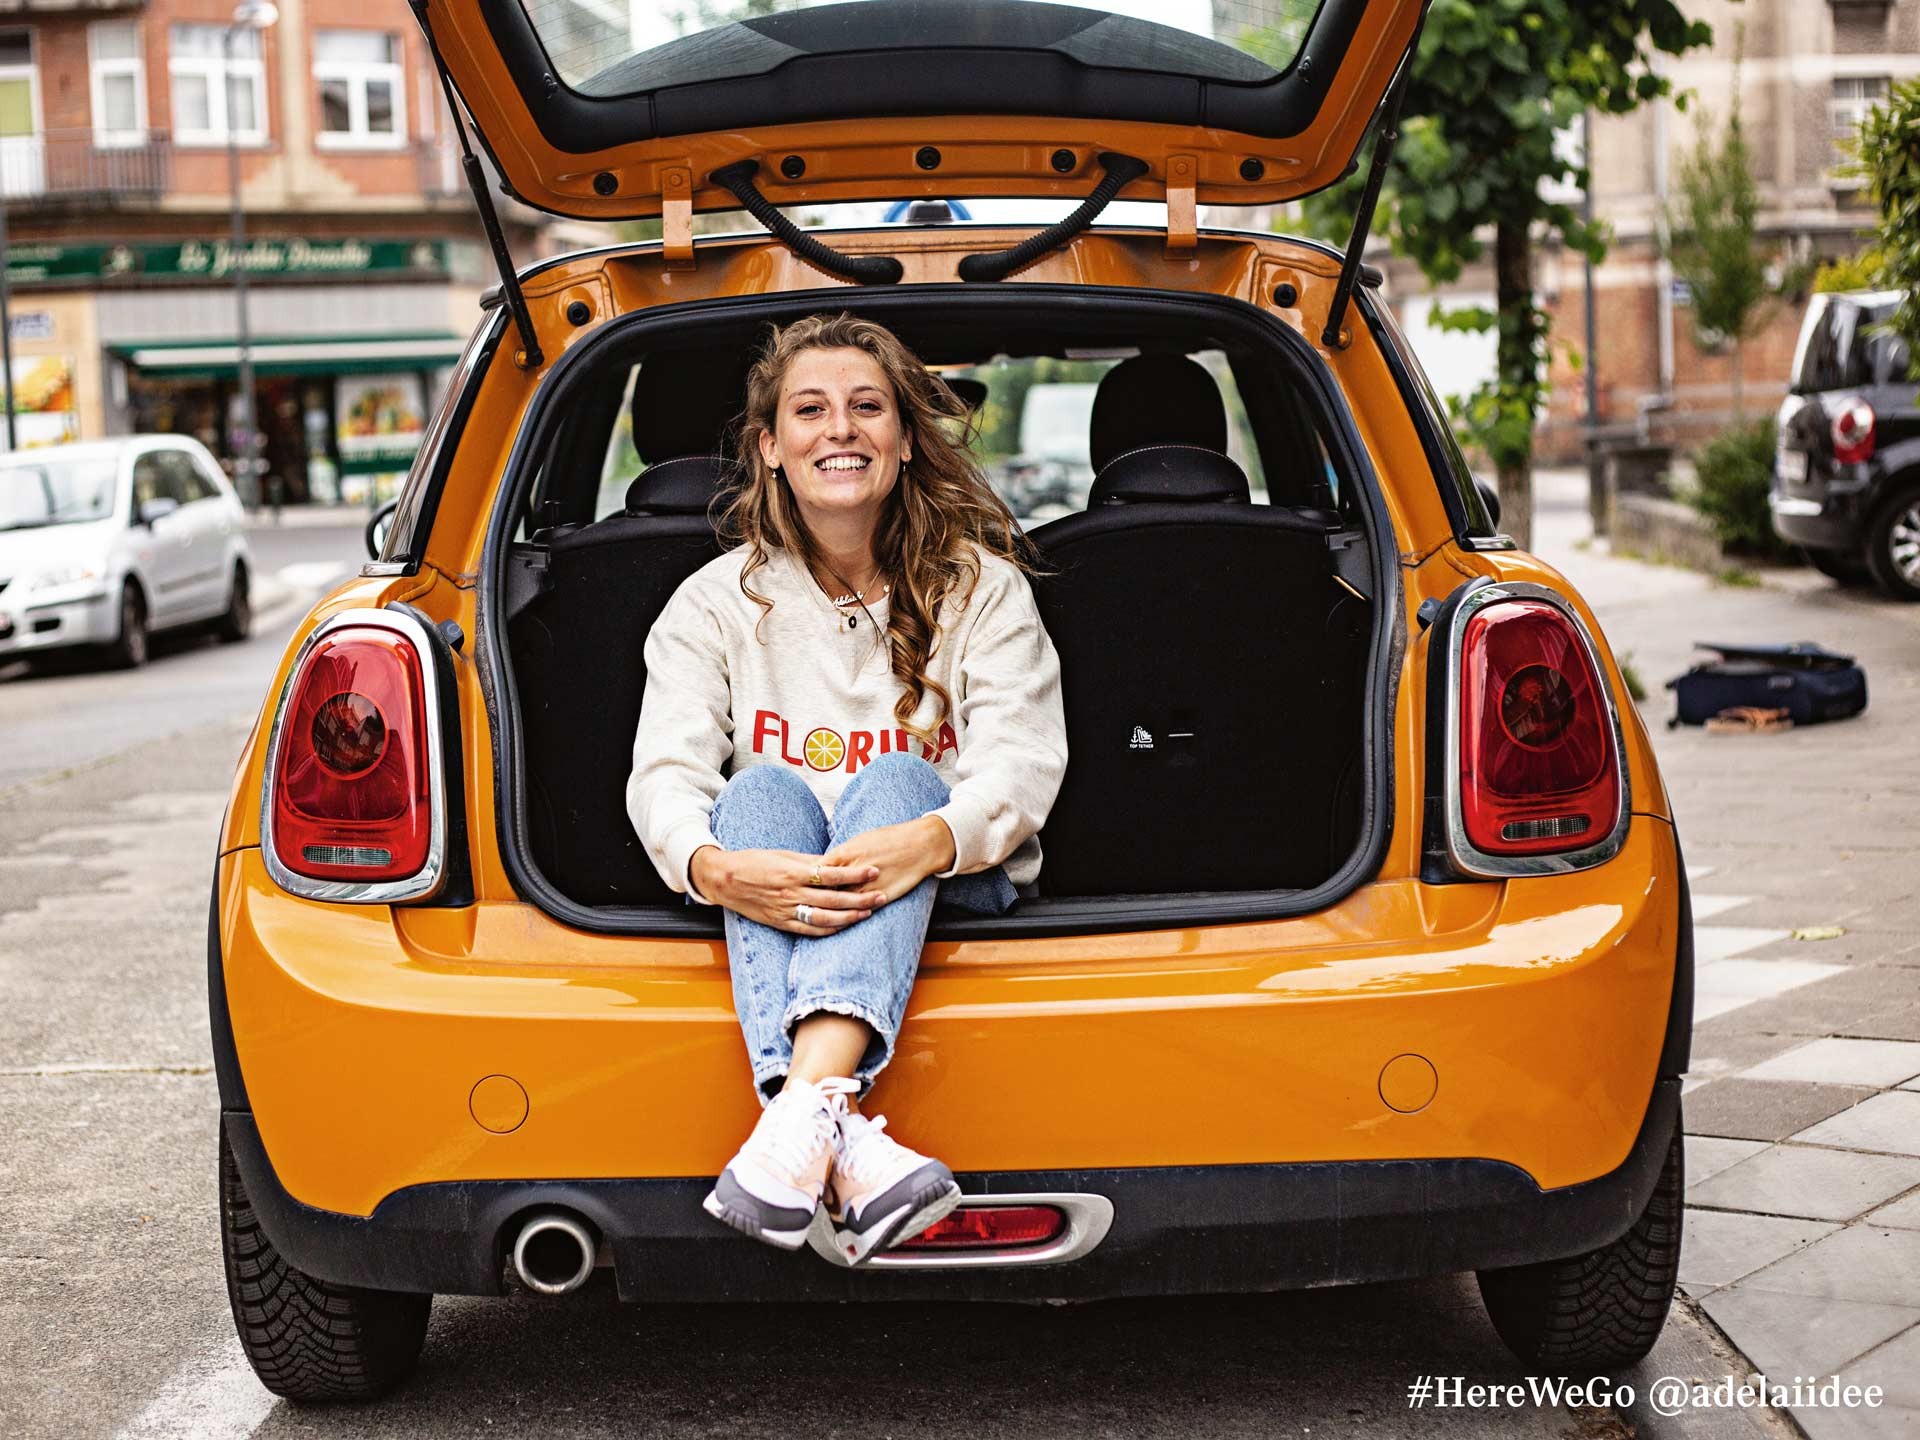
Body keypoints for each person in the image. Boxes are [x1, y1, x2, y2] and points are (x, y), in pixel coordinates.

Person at [627, 313, 1068, 1265]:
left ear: (905, 441)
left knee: (903, 776)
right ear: (769, 447)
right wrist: (712, 868)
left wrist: (929, 839)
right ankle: (834, 1136)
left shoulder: (983, 589)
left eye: (867, 407)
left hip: (947, 876)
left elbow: (1022, 762)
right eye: (810, 410)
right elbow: (665, 773)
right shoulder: (712, 602)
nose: (841, 429)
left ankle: (794, 1117)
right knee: (754, 800)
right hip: (774, 888)